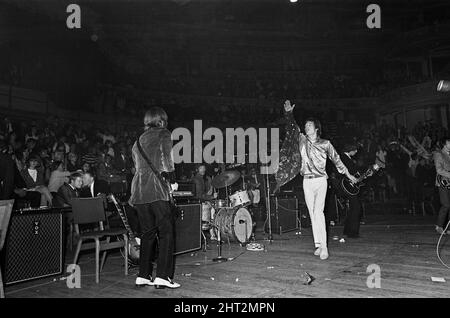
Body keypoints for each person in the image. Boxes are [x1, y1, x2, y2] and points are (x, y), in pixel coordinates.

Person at [275, 100, 357, 260]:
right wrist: (288, 114)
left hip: (321, 181)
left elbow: (338, 161)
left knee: (318, 211)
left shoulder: (326, 144)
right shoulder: (302, 140)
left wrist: (349, 175)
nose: (306, 128)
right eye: (305, 126)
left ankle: (324, 247)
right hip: (307, 181)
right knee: (313, 213)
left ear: (316, 129)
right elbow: (292, 128)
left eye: (309, 126)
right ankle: (318, 244)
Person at [129, 107, 180, 289]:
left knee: (147, 234)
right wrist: (172, 180)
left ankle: (143, 275)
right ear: (162, 119)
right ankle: (163, 277)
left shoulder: (138, 140)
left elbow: (136, 165)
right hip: (156, 189)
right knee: (166, 232)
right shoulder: (163, 133)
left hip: (139, 191)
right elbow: (167, 159)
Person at [340, 143, 362, 238]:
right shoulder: (344, 158)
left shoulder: (346, 158)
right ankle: (352, 232)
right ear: (350, 149)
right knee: (356, 207)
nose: (356, 151)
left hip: (349, 185)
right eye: (355, 149)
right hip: (346, 185)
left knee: (353, 207)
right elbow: (345, 171)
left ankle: (348, 230)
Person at [192, 163, 217, 241]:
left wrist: (209, 192)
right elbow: (199, 195)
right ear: (197, 170)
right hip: (199, 202)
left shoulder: (203, 178)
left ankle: (212, 234)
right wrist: (212, 197)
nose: (203, 170)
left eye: (204, 168)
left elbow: (205, 193)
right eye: (201, 168)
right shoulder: (197, 179)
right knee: (211, 211)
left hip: (204, 200)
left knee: (213, 211)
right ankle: (205, 235)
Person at [433, 137, 450, 235]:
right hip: (443, 182)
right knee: (446, 204)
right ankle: (439, 226)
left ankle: (449, 229)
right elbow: (439, 170)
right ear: (445, 144)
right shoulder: (438, 154)